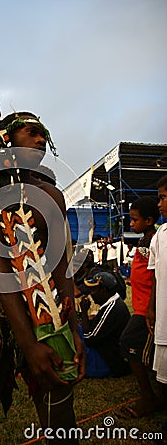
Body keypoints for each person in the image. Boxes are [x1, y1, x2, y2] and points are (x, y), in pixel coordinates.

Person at [0, 112, 85, 445]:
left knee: (59, 405)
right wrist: (28, 345)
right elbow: (2, 274)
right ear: (7, 139)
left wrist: (72, 330)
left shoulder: (52, 196)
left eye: (44, 134)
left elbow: (62, 268)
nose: (41, 140)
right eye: (32, 133)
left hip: (48, 312)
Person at [119, 196, 161, 418]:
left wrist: (151, 308)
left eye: (135, 220)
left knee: (129, 342)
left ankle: (149, 398)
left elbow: (154, 275)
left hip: (147, 308)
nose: (131, 224)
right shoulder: (145, 241)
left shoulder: (152, 242)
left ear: (149, 220)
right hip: (141, 306)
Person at [79, 271, 130, 378]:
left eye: (94, 289)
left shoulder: (112, 309)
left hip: (109, 363)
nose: (91, 293)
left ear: (104, 290)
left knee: (77, 333)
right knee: (78, 328)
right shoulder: (115, 302)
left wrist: (84, 312)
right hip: (111, 355)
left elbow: (89, 338)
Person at [147, 176, 167, 418]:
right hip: (163, 317)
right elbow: (155, 275)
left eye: (163, 197)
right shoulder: (160, 235)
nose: (159, 204)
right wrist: (151, 308)